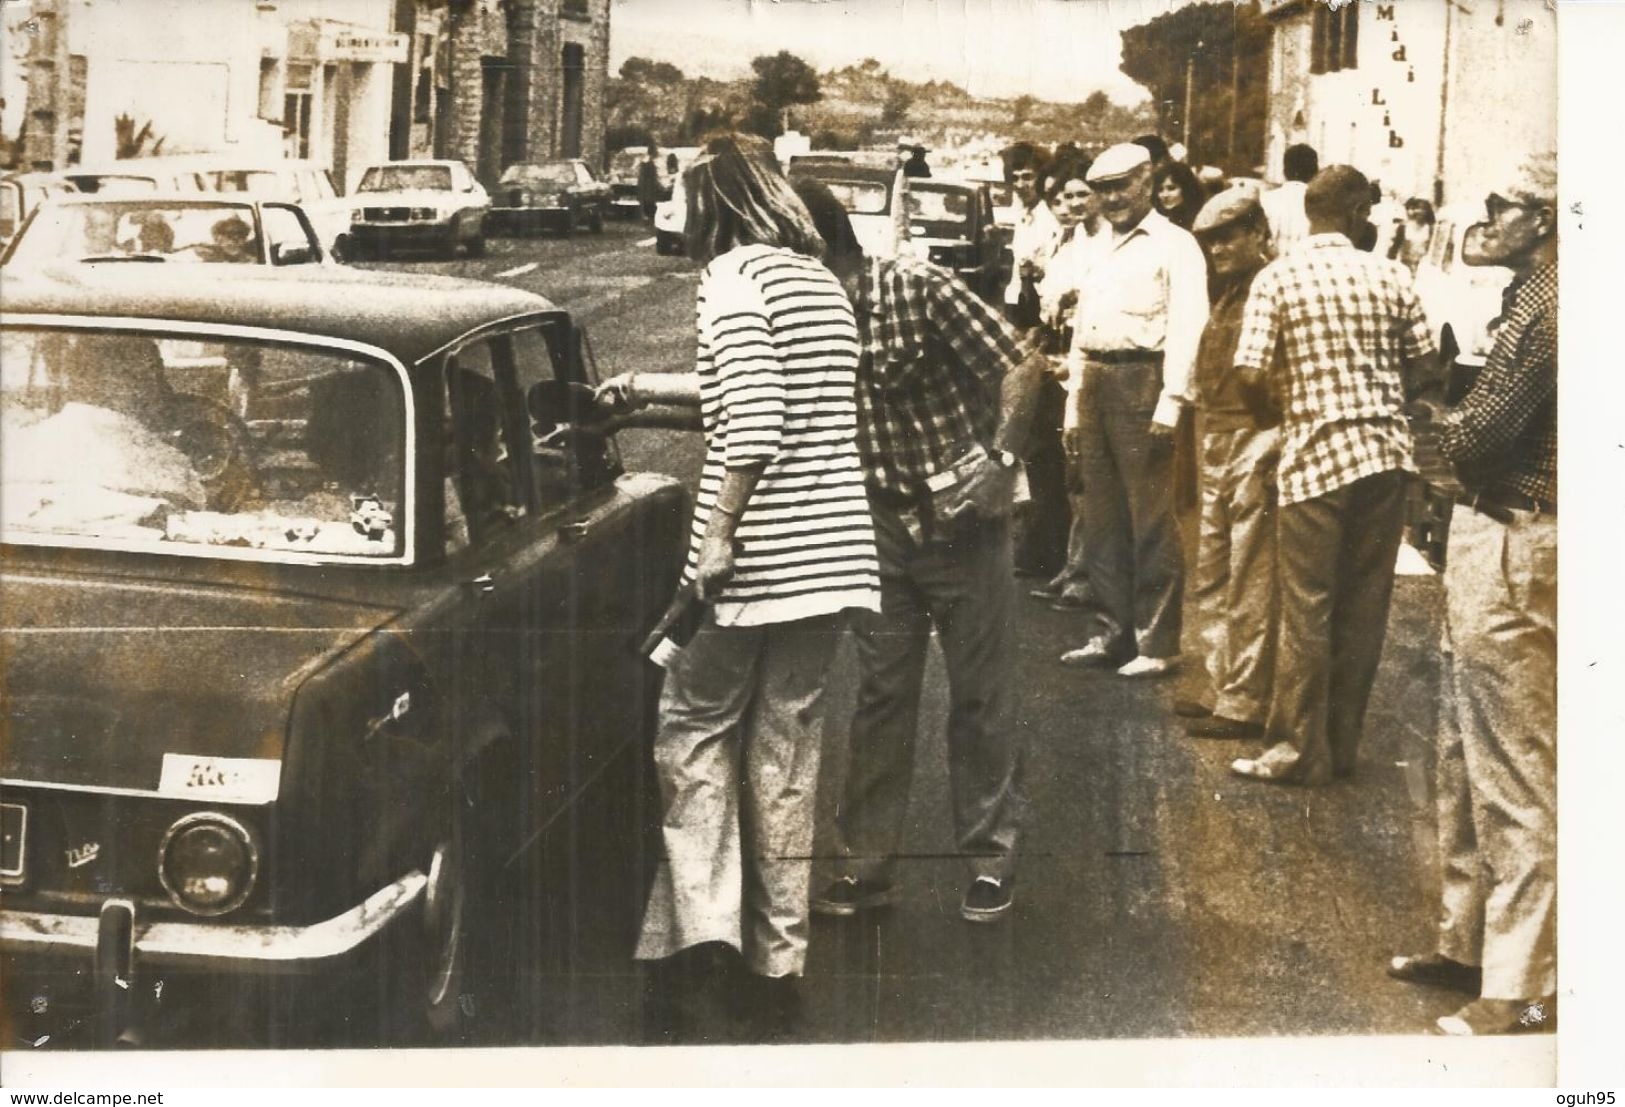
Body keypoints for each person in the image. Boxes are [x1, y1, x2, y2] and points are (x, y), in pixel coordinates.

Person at [630, 132, 881, 1037]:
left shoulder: (733, 278)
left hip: (753, 558)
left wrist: (718, 538)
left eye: (682, 201)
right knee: (785, 758)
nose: (676, 218)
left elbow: (757, 421)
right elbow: (754, 395)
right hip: (832, 558)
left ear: (712, 204)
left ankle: (703, 937)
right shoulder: (817, 280)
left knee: (690, 731)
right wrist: (643, 394)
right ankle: (778, 959)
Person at [792, 176, 1047, 925]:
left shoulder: (916, 287)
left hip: (961, 523)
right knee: (879, 697)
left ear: (813, 243)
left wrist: (999, 464)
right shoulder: (802, 318)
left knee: (980, 695)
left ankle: (990, 859)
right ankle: (866, 866)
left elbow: (1019, 365)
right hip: (877, 525)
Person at [1387, 152, 1557, 1037]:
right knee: (1462, 744)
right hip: (1498, 527)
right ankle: (1467, 940)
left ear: (1544, 218)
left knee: (1509, 763)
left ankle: (1522, 985)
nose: (1482, 219)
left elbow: (1485, 433)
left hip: (1513, 530)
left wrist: (1425, 421)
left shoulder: (1547, 301)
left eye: (1501, 205)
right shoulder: (1531, 297)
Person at [1227, 165, 1438, 786]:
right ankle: (1340, 747)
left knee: (1306, 608)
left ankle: (1294, 749)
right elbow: (1426, 367)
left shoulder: (1278, 277)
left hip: (1314, 459)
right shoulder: (1393, 275)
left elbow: (1248, 372)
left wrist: (1284, 417)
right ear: (1348, 213)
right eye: (1367, 211)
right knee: (1363, 607)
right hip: (1384, 458)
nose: (1373, 221)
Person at [1050, 142, 1209, 677]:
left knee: (1151, 517)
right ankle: (1110, 632)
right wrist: (1073, 407)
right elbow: (1081, 332)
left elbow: (1189, 325)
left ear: (1148, 182)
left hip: (1144, 379)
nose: (1112, 199)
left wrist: (1171, 403)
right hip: (1094, 377)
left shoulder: (1176, 245)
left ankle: (1156, 643)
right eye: (1103, 189)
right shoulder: (1091, 245)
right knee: (1101, 517)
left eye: (1122, 186)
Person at [1176, 186, 1279, 740]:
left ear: (1259, 232)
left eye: (1230, 236)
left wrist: (1268, 438)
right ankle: (1223, 683)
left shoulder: (1270, 287)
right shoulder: (1228, 292)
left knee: (1249, 574)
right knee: (1214, 569)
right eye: (1211, 241)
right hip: (1216, 434)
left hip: (1252, 437)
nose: (1219, 249)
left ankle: (1245, 698)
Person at [1031, 167, 1102, 611]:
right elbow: (1047, 300)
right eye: (1067, 196)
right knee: (1066, 470)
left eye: (1082, 194)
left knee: (1085, 473)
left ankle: (1085, 574)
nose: (1074, 204)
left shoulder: (1103, 248)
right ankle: (1073, 566)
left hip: (1089, 361)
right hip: (1061, 357)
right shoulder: (1066, 247)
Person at [1001, 142, 1060, 331]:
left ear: (1041, 178)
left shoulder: (1052, 216)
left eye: (1027, 177)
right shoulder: (1023, 214)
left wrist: (1038, 269)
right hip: (1018, 300)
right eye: (1014, 178)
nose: (1020, 185)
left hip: (1043, 305)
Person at [1261, 142, 1317, 256]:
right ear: (1315, 172)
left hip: (1270, 269)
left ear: (1285, 171)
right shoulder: (1320, 205)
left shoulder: (1265, 200)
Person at [1152, 161, 1205, 232]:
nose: (1165, 195)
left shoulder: (1201, 218)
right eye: (1160, 190)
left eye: (1171, 188)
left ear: (1185, 189)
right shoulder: (1156, 222)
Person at [1389, 197, 1436, 272]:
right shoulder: (1404, 227)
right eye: (1417, 208)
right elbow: (1394, 249)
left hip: (1423, 268)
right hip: (1404, 267)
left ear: (1427, 211)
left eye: (1423, 209)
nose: (1420, 211)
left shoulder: (1430, 229)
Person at [636, 144, 663, 220]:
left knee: (647, 201)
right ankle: (646, 216)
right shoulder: (648, 164)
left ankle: (647, 215)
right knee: (648, 201)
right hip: (648, 186)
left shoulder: (646, 163)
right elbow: (651, 176)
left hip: (648, 186)